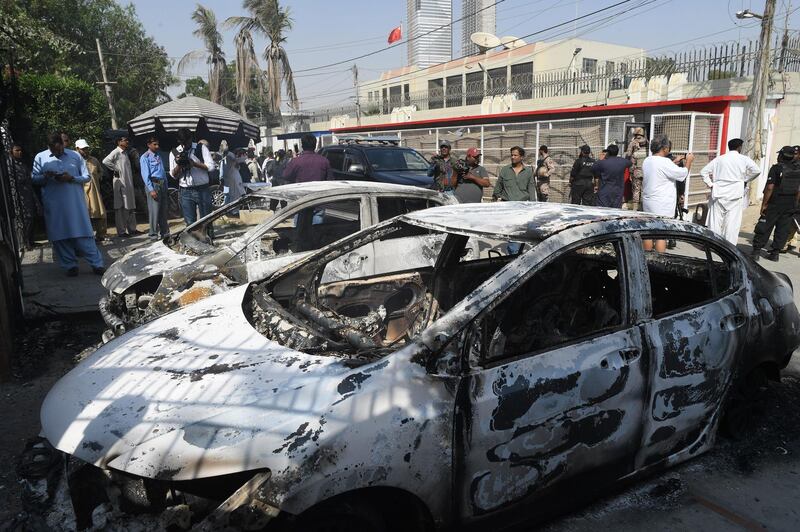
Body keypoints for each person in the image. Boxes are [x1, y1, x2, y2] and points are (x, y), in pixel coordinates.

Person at [31, 132, 104, 276]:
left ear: (63, 144)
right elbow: (34, 179)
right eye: (54, 150)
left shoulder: (75, 156)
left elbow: (86, 177)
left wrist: (71, 178)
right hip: (54, 204)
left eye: (60, 149)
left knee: (83, 235)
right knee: (60, 236)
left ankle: (97, 265)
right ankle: (70, 266)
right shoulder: (40, 157)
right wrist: (46, 176)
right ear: (49, 147)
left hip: (75, 204)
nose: (58, 152)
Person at [699, 138, 761, 244]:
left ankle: (714, 244)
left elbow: (703, 172)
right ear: (739, 147)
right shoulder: (744, 159)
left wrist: (711, 184)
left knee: (714, 222)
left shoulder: (719, 159)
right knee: (732, 224)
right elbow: (756, 171)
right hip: (735, 194)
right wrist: (744, 180)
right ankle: (729, 248)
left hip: (718, 193)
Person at [641, 135, 694, 252]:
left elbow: (660, 171)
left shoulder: (647, 160)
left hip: (649, 201)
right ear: (664, 148)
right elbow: (682, 174)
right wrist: (689, 161)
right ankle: (659, 260)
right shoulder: (665, 162)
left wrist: (674, 162)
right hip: (662, 203)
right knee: (661, 234)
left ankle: (646, 257)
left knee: (648, 231)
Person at [751, 146, 800, 262]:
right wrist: (795, 203)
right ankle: (775, 253)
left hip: (775, 202)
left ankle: (756, 251)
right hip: (790, 203)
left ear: (782, 155)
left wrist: (764, 204)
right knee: (783, 228)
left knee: (765, 225)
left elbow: (769, 187)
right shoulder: (797, 170)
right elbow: (798, 190)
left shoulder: (776, 168)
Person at [493, 146, 535, 254]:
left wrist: (534, 206)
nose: (512, 157)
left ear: (521, 157)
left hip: (523, 207)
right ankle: (513, 256)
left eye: (515, 155)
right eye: (511, 155)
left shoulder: (529, 171)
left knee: (520, 233)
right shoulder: (505, 170)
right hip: (508, 208)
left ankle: (514, 255)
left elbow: (531, 189)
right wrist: (498, 200)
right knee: (512, 233)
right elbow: (497, 189)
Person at [169, 127, 215, 225]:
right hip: (185, 191)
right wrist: (179, 164)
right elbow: (173, 175)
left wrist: (195, 164)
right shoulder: (175, 152)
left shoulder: (200, 148)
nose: (185, 144)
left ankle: (208, 238)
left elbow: (211, 167)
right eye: (183, 142)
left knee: (207, 219)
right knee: (190, 222)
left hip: (202, 189)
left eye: (187, 141)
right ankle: (193, 239)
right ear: (179, 141)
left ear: (191, 138)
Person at [102, 134, 138, 237]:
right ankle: (122, 231)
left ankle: (132, 229)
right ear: (119, 142)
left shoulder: (125, 153)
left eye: (127, 140)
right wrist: (116, 169)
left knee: (130, 206)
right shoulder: (116, 151)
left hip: (128, 183)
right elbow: (105, 161)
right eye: (125, 140)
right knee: (121, 208)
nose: (127, 142)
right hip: (121, 183)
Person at [74, 139, 108, 242]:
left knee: (100, 213)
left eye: (87, 149)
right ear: (77, 149)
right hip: (81, 193)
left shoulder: (94, 160)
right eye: (83, 149)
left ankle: (100, 235)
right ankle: (86, 237)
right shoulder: (74, 161)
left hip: (95, 192)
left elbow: (100, 171)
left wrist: (97, 177)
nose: (85, 151)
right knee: (84, 215)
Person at [8, 143, 38, 249]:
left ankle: (30, 240)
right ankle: (26, 242)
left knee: (32, 217)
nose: (19, 152)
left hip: (28, 193)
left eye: (20, 150)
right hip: (20, 196)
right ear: (11, 152)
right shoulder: (10, 165)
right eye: (17, 150)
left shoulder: (22, 164)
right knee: (26, 219)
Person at [139, 136, 170, 240]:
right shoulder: (145, 157)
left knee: (163, 210)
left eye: (158, 144)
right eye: (154, 144)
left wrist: (166, 185)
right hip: (153, 184)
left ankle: (165, 232)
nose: (157, 146)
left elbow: (162, 172)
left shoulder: (158, 156)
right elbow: (145, 175)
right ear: (149, 145)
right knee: (154, 210)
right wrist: (151, 189)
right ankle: (153, 234)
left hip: (162, 184)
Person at [592, 144, 632, 208]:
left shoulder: (602, 163)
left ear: (608, 152)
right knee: (615, 213)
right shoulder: (623, 161)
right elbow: (630, 163)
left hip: (604, 191)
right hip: (617, 192)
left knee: (602, 212)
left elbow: (593, 168)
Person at [624, 127, 648, 210]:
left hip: (637, 171)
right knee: (644, 190)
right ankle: (643, 207)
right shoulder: (647, 141)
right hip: (647, 172)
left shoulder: (633, 142)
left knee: (636, 190)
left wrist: (630, 173)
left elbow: (628, 154)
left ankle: (635, 208)